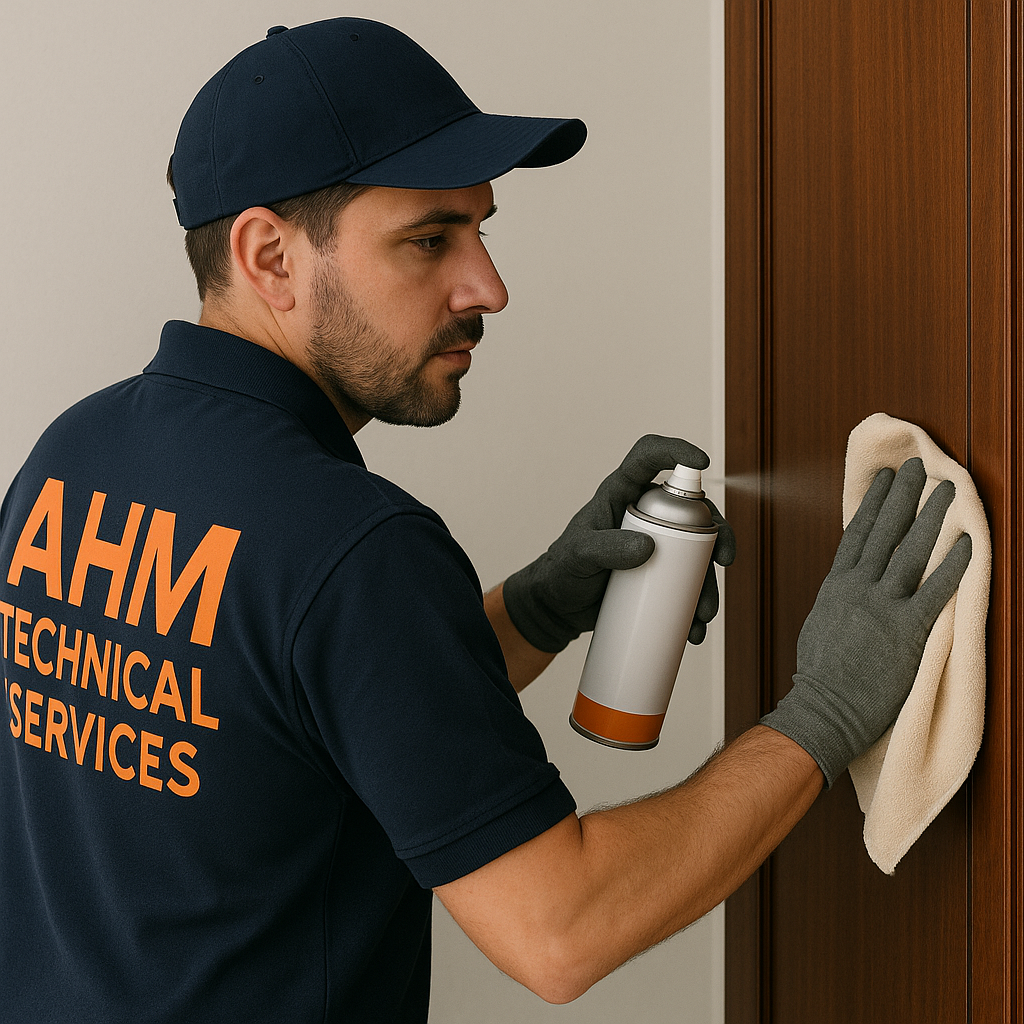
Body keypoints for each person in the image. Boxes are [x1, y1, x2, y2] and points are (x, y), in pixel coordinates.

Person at [0, 17, 971, 1023]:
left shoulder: (67, 462)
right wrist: (821, 714)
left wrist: (538, 608)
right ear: (270, 256)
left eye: (480, 228)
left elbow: (296, 713)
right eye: (429, 239)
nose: (488, 287)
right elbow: (561, 929)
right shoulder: (354, 546)